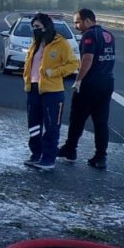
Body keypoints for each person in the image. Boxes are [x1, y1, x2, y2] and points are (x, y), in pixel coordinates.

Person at [57, 9, 116, 169]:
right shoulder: (108, 35)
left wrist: (78, 80)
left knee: (77, 118)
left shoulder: (89, 35)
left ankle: (70, 149)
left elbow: (87, 59)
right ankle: (100, 156)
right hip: (107, 82)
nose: (76, 26)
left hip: (90, 83)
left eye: (77, 22)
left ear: (88, 20)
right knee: (101, 122)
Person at [22, 13, 79, 171]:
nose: (35, 30)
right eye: (33, 27)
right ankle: (36, 154)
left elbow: (74, 63)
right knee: (33, 125)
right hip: (33, 88)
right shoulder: (35, 43)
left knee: (51, 126)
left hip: (52, 91)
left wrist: (53, 72)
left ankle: (48, 159)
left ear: (47, 26)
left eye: (38, 27)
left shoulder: (60, 43)